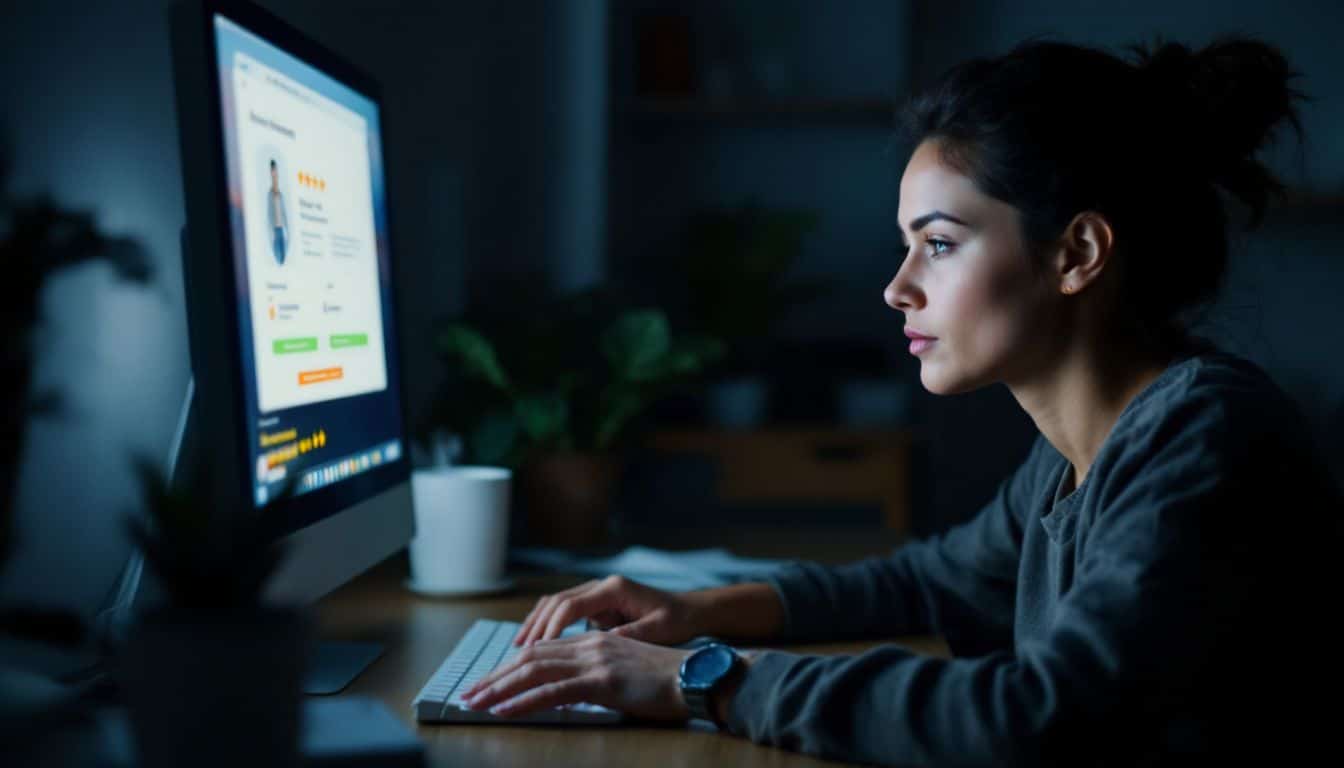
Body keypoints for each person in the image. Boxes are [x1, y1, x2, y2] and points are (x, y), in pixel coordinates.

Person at [462, 37, 1344, 766]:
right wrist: (699, 612)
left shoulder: (1206, 437)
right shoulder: (1078, 450)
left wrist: (704, 677)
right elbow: (929, 582)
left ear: (1076, 253)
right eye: (906, 246)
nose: (897, 289)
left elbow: (1046, 714)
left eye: (940, 244)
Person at [267, 158, 288, 265]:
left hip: (282, 231)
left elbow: (285, 215)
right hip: (275, 232)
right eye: (273, 172)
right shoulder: (269, 195)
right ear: (271, 173)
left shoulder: (281, 195)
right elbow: (269, 215)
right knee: (278, 261)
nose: (275, 175)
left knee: (285, 259)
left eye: (276, 172)